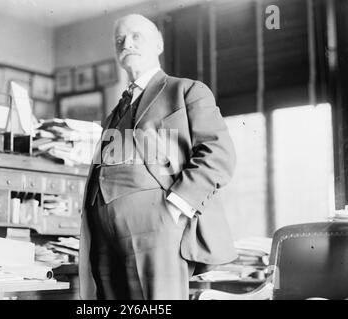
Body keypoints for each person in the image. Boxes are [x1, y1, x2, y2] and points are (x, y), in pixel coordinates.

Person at [79, 13, 237, 300]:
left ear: (159, 44)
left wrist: (175, 207)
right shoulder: (114, 113)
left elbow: (218, 154)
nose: (127, 43)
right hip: (102, 234)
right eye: (120, 40)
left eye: (136, 36)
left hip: (156, 225)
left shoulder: (186, 91)